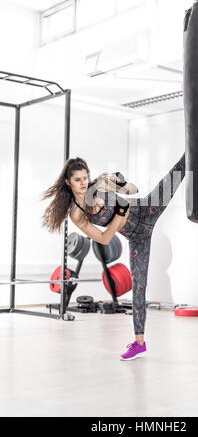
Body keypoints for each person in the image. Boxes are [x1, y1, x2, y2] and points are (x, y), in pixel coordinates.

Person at [41, 152, 185, 360]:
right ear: (68, 182)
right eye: (77, 179)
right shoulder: (77, 213)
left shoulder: (99, 185)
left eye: (84, 177)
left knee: (174, 174)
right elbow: (103, 238)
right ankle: (139, 344)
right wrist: (118, 217)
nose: (83, 183)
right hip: (137, 238)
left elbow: (134, 191)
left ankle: (197, 149)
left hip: (146, 209)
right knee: (138, 289)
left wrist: (121, 183)